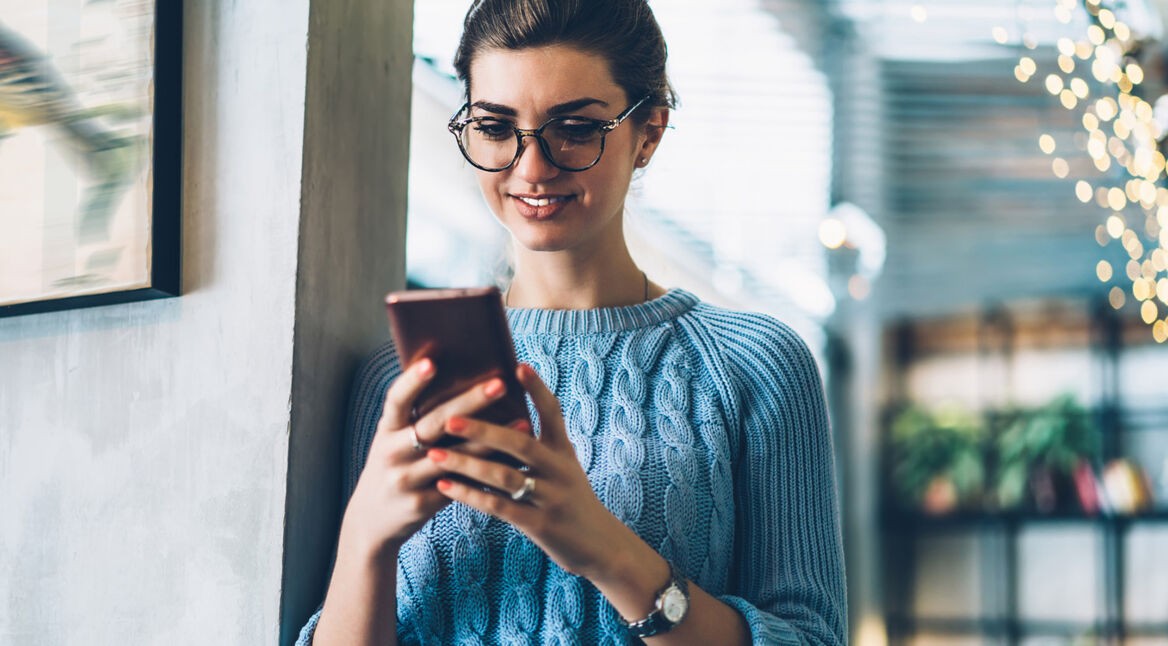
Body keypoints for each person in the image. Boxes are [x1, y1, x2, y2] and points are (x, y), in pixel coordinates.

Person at [299, 0, 846, 643]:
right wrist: (367, 537)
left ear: (649, 134)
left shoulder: (753, 364)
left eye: (576, 128)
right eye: (496, 127)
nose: (530, 168)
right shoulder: (396, 377)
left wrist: (605, 549)